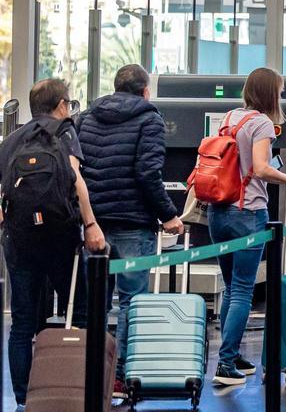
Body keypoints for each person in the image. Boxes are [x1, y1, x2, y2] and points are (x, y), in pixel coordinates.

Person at [78, 64, 185, 399]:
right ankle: (120, 377)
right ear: (145, 91)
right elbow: (147, 173)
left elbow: (78, 171)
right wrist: (169, 215)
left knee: (96, 302)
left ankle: (93, 374)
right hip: (133, 223)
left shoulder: (86, 117)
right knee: (131, 303)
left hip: (94, 224)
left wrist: (88, 219)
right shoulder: (150, 119)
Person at [1, 79, 106, 408]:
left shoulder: (12, 139)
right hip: (60, 237)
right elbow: (76, 181)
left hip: (20, 240)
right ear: (61, 105)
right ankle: (80, 389)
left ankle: (23, 399)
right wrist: (91, 225)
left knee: (22, 323)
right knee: (82, 314)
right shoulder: (64, 131)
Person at [209, 67, 286, 386]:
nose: (282, 96)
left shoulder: (229, 117)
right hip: (248, 212)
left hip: (218, 211)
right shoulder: (262, 123)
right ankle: (226, 364)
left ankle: (232, 354)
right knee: (241, 290)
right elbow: (262, 168)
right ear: (269, 93)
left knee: (230, 287)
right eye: (280, 90)